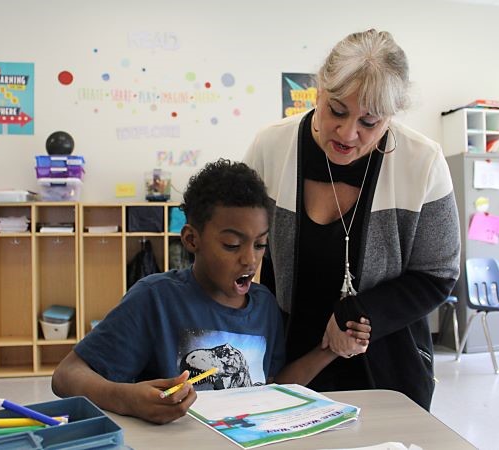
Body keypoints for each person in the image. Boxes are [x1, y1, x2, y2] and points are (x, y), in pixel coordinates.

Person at [52, 159, 371, 424]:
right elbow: (66, 376)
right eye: (232, 245)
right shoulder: (156, 299)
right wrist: (127, 399)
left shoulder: (263, 304)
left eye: (260, 244)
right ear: (192, 240)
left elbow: (271, 386)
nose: (250, 259)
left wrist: (331, 349)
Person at [244, 29, 460, 411]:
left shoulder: (422, 162)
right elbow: (240, 240)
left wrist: (359, 315)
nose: (348, 133)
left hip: (389, 369)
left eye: (370, 122)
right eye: (337, 111)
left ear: (391, 116)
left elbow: (438, 273)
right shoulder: (271, 147)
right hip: (288, 364)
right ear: (318, 93)